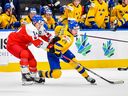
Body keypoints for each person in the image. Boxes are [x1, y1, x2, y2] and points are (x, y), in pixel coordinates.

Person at [39, 20, 96, 84]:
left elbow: (57, 28)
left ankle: (87, 77)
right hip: (52, 53)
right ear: (70, 29)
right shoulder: (68, 38)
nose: (76, 31)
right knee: (56, 74)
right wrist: (58, 53)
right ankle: (42, 74)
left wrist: (57, 35)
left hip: (63, 50)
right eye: (75, 30)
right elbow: (58, 46)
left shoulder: (65, 27)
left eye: (77, 29)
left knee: (76, 63)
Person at [6, 15, 53, 85]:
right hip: (13, 43)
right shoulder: (30, 28)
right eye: (39, 23)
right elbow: (37, 43)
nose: (40, 25)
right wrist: (50, 47)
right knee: (24, 53)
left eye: (41, 23)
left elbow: (46, 36)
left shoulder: (39, 26)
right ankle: (25, 75)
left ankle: (32, 77)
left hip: (23, 45)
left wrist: (54, 41)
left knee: (32, 61)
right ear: (34, 22)